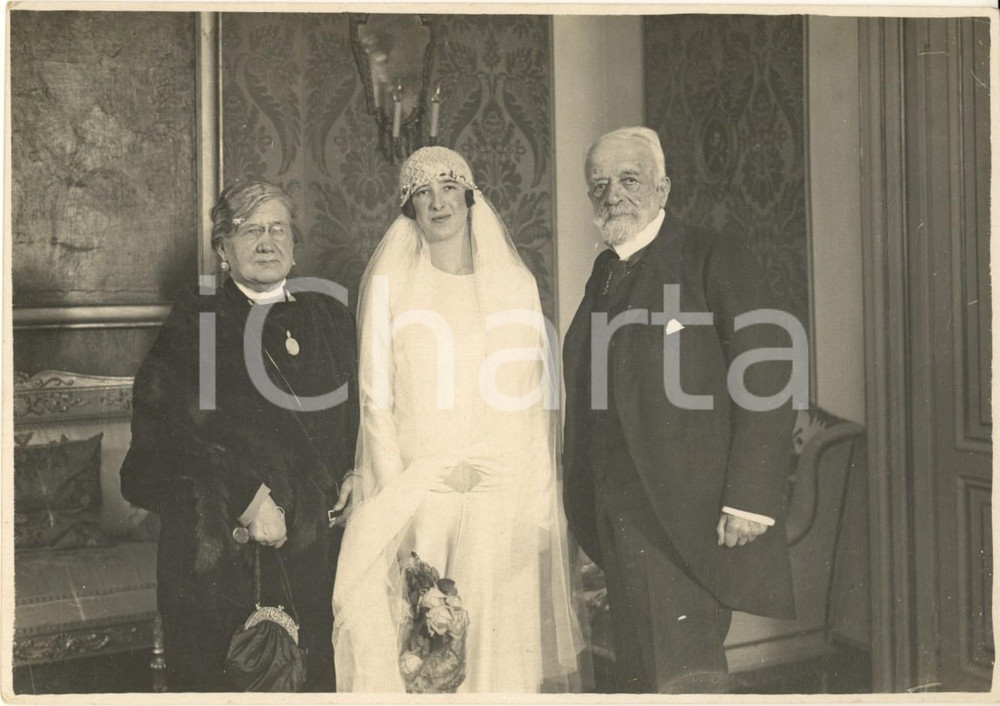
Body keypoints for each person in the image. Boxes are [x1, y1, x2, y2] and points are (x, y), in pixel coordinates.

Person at [332, 146, 582, 692]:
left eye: (448, 188)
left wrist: (536, 512)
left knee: (498, 654)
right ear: (409, 209)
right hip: (423, 498)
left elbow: (531, 405)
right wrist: (399, 501)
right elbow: (376, 402)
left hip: (499, 497)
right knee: (424, 657)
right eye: (422, 193)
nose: (437, 202)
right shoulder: (389, 288)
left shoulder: (517, 287)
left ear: (471, 199)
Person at [562, 127, 796, 693]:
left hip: (685, 519)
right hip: (617, 515)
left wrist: (750, 499)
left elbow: (768, 373)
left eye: (629, 179)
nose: (612, 194)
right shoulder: (604, 272)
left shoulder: (714, 255)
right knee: (643, 677)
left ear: (663, 188)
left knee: (688, 681)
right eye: (599, 185)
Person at [120, 178, 358, 692]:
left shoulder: (331, 320)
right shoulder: (198, 324)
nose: (267, 242)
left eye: (277, 228)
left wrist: (357, 470)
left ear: (295, 243)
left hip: (317, 561)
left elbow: (359, 417)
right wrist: (245, 501)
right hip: (225, 567)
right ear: (223, 251)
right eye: (250, 230)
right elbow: (152, 455)